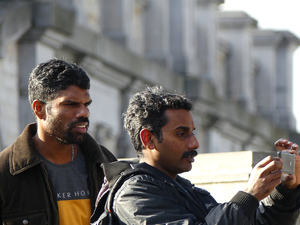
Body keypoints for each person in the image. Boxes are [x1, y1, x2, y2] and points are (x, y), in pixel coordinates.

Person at [97, 86, 300, 224]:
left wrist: (285, 190)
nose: (194, 143)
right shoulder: (133, 193)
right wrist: (248, 195)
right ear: (148, 138)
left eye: (192, 132)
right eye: (181, 134)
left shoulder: (191, 192)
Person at [0, 58, 117, 225]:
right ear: (39, 109)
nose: (84, 113)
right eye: (71, 104)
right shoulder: (6, 173)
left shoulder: (107, 165)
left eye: (86, 104)